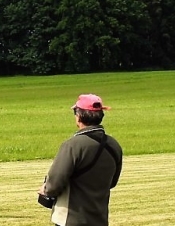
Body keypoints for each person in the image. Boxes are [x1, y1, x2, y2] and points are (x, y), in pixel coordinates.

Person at [38, 94, 123, 226]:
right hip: (99, 218)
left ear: (79, 116)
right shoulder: (113, 145)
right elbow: (112, 182)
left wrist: (45, 189)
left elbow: (54, 184)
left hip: (71, 219)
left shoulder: (72, 145)